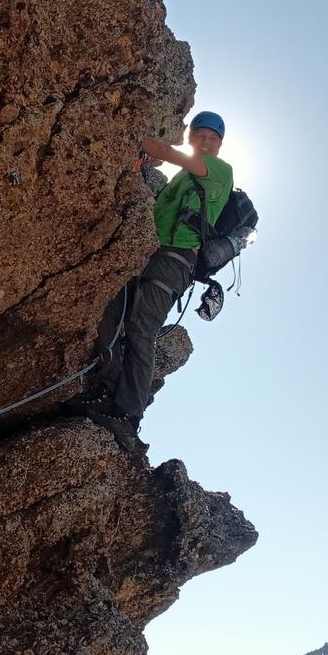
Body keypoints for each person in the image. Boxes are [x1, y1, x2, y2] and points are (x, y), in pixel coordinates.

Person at [77, 110, 234, 451]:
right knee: (114, 316)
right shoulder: (181, 180)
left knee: (142, 328)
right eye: (199, 136)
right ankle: (108, 389)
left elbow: (169, 153)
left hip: (176, 260)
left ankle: (128, 416)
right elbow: (156, 206)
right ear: (192, 138)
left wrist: (129, 137)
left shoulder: (220, 171)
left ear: (220, 145)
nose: (205, 142)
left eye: (212, 138)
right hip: (150, 253)